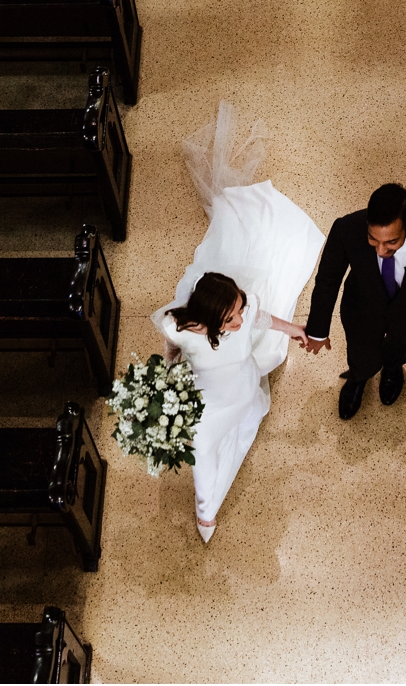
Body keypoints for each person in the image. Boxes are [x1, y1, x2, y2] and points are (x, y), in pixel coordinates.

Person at [152, 103, 326, 543]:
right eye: (231, 317)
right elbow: (171, 342)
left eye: (238, 311)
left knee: (249, 395)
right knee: (206, 448)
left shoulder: (245, 320)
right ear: (209, 321)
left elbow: (264, 319)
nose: (240, 319)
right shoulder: (177, 327)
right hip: (211, 395)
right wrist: (168, 372)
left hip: (241, 381)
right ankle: (205, 513)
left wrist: (299, 331)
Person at [301, 183, 406, 420]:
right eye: (373, 240)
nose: (381, 250)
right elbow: (327, 280)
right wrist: (318, 331)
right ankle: (359, 377)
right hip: (362, 306)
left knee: (401, 347)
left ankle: (393, 369)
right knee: (361, 353)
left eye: (391, 242)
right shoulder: (346, 229)